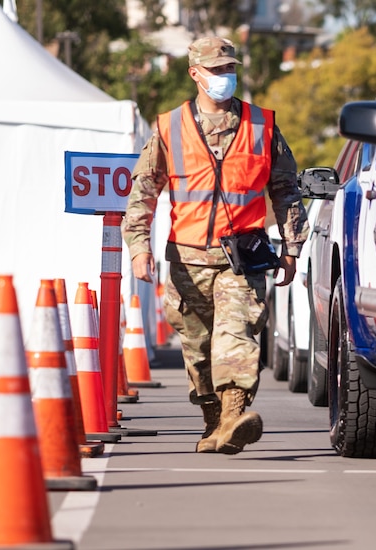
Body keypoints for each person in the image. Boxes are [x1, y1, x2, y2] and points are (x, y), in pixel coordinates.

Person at [122, 36, 308, 455]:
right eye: (217, 70)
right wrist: (139, 248)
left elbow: (287, 190)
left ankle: (234, 414)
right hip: (187, 261)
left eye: (230, 69)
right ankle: (215, 421)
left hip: (241, 259)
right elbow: (142, 192)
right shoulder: (170, 127)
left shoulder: (262, 126)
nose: (227, 77)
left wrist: (292, 247)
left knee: (235, 335)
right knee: (199, 351)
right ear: (195, 74)